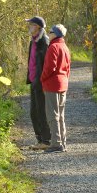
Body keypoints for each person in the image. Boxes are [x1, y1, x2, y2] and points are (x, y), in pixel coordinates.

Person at [41, 24, 71, 153]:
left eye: (50, 31)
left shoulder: (53, 47)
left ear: (56, 34)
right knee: (61, 115)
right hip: (63, 83)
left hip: (52, 84)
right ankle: (62, 142)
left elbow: (49, 68)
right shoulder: (65, 47)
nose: (48, 33)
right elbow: (68, 68)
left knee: (52, 114)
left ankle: (56, 143)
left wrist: (42, 78)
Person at [25, 16, 51, 150]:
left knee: (41, 111)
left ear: (38, 27)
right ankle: (39, 139)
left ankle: (46, 141)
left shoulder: (44, 41)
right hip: (34, 81)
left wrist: (40, 80)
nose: (29, 27)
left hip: (41, 82)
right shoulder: (33, 41)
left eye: (31, 24)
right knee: (33, 112)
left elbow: (47, 64)